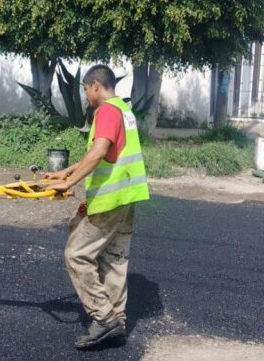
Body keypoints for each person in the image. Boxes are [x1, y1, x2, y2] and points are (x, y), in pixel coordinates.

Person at [45, 64, 149, 349]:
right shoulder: (123, 110)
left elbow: (100, 150)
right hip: (127, 197)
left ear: (95, 86)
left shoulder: (104, 111)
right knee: (114, 259)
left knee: (76, 254)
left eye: (85, 90)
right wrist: (67, 172)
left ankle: (104, 319)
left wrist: (68, 184)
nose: (86, 96)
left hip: (109, 200)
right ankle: (117, 321)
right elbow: (101, 154)